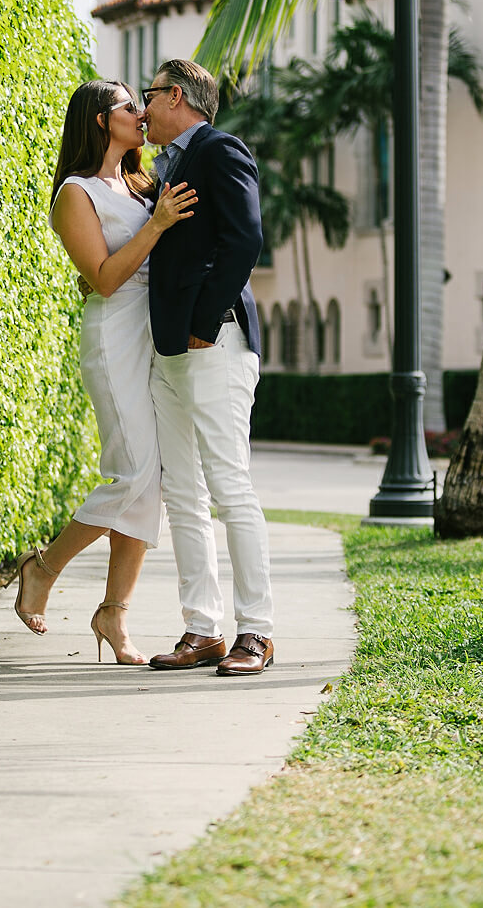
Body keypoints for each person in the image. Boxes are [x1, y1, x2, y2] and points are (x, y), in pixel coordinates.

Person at [13, 79, 196, 665]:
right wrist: (158, 224)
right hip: (115, 334)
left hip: (157, 336)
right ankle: (43, 568)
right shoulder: (75, 193)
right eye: (127, 106)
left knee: (154, 477)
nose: (142, 113)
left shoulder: (145, 185)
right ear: (98, 119)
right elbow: (104, 277)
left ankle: (114, 615)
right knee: (131, 470)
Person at [141, 59, 274, 676]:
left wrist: (202, 322)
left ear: (175, 96)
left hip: (213, 344)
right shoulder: (166, 167)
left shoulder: (221, 150)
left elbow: (246, 239)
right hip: (169, 351)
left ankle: (257, 632)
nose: (142, 110)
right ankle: (203, 630)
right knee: (184, 496)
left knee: (230, 489)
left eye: (149, 97)